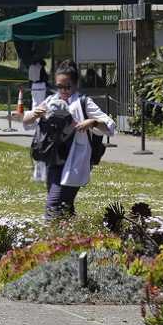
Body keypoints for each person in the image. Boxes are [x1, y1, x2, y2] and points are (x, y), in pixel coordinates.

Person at [22, 60, 111, 220]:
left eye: (67, 87)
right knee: (65, 206)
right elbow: (26, 121)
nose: (63, 91)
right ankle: (74, 240)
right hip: (53, 160)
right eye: (59, 86)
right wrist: (36, 113)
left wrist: (92, 122)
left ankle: (51, 242)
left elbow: (110, 126)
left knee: (54, 205)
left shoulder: (83, 102)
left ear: (75, 84)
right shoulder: (51, 101)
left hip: (75, 161)